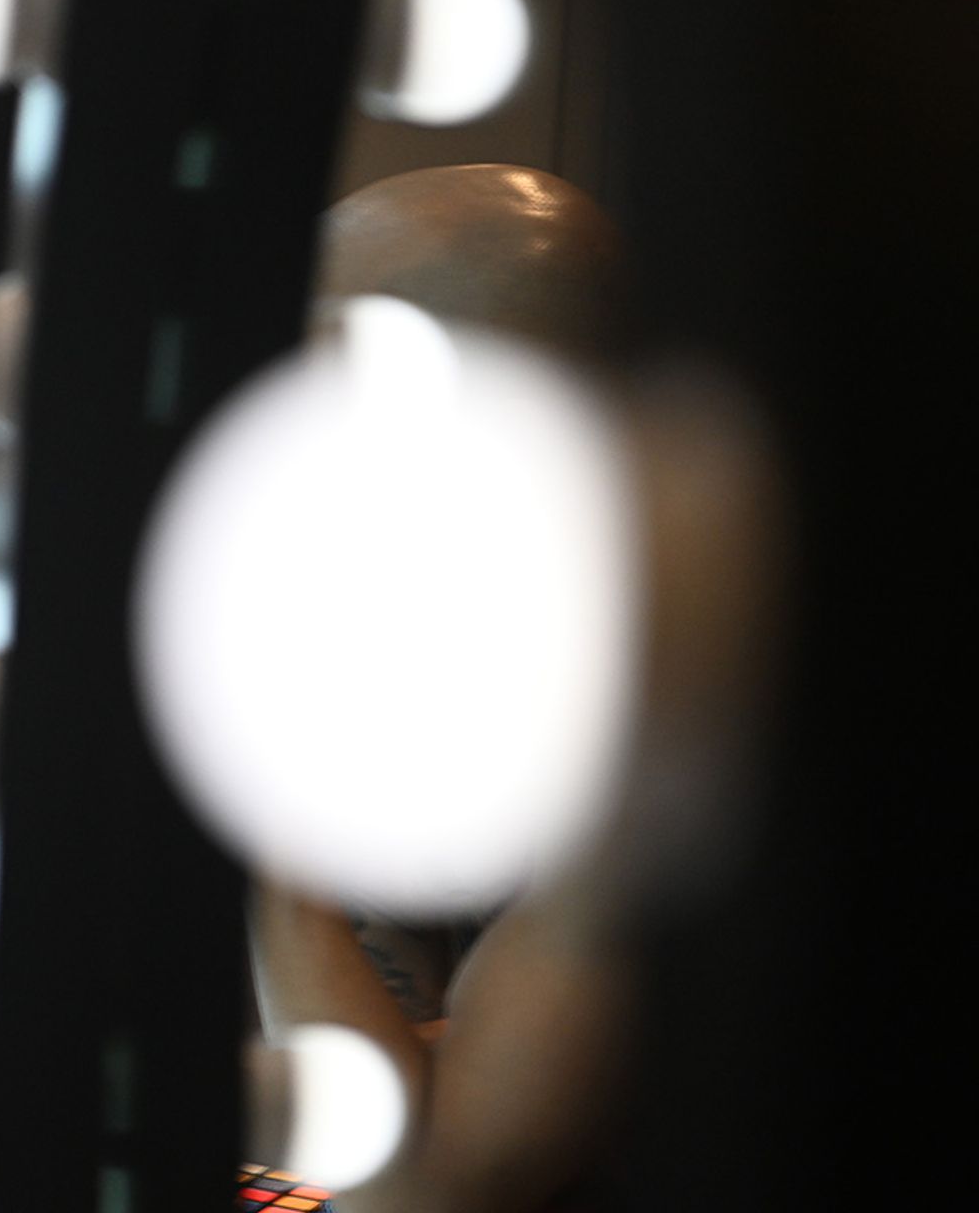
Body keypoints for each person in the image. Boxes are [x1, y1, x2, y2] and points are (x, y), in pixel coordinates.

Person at [250, 164, 779, 1212]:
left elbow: (421, 1188)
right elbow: (436, 1068)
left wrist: (269, 847)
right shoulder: (502, 685)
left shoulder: (684, 698)